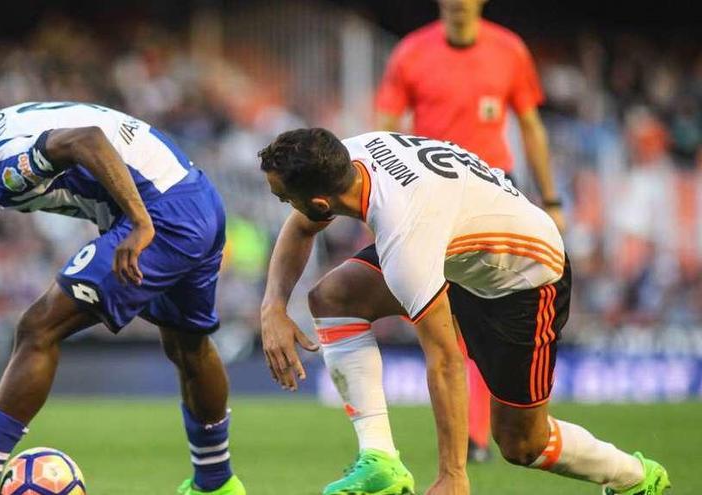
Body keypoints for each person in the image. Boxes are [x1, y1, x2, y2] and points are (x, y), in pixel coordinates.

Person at [258, 127, 670, 495]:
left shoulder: (405, 234)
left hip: (524, 280)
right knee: (335, 297)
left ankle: (635, 478)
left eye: (284, 197)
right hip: (459, 250)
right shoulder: (349, 156)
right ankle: (380, 462)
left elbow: (446, 361)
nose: (283, 203)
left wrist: (453, 475)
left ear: (319, 201)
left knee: (523, 444)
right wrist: (273, 306)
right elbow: (302, 224)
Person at [0, 101, 244, 495]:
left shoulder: (3, 170)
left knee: (39, 327)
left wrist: (141, 223)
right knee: (188, 344)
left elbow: (85, 139)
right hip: (195, 198)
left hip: (160, 214)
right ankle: (217, 485)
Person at [376, 0, 564, 470]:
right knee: (449, 322)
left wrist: (552, 198)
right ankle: (472, 435)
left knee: (486, 322)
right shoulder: (410, 54)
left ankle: (482, 432)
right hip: (430, 197)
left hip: (493, 196)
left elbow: (531, 126)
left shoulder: (509, 50)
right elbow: (385, 127)